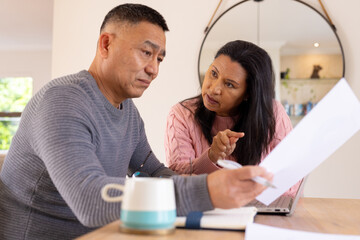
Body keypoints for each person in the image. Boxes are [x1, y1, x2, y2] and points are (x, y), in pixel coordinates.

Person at [0, 4, 272, 240]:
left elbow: (154, 172)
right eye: (146, 52)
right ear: (106, 44)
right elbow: (90, 199)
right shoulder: (62, 101)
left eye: (159, 58)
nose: (154, 69)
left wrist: (219, 187)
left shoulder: (128, 113)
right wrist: (206, 191)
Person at [165, 40, 299, 195]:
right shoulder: (181, 115)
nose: (214, 89)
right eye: (213, 74)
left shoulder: (273, 113)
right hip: (204, 211)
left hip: (262, 211)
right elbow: (178, 179)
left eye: (229, 84)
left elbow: (291, 180)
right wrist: (211, 156)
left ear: (248, 94)